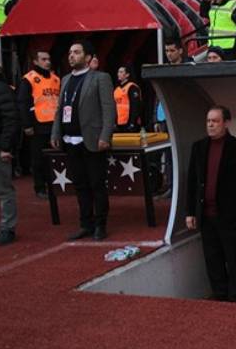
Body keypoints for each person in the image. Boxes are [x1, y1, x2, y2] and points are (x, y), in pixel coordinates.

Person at [186, 106, 236, 303]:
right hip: (206, 216)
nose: (210, 125)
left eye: (215, 121)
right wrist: (190, 212)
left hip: (231, 215)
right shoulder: (198, 147)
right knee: (212, 258)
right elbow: (191, 181)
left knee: (235, 259)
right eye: (208, 121)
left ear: (226, 123)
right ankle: (220, 295)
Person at [50, 41, 116, 241]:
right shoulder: (66, 80)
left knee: (97, 184)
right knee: (80, 185)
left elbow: (108, 109)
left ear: (88, 57)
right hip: (71, 141)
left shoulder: (100, 78)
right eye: (70, 52)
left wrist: (105, 136)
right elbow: (60, 109)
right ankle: (85, 224)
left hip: (93, 141)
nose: (71, 56)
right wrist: (55, 133)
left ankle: (100, 225)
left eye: (76, 52)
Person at [16, 50, 60, 199]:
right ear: (35, 62)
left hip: (54, 124)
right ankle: (40, 188)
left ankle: (55, 185)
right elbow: (23, 103)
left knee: (56, 156)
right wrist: (27, 125)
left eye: (48, 59)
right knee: (38, 159)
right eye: (43, 59)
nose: (47, 62)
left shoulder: (56, 79)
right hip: (38, 124)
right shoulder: (28, 79)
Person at [0, 66, 18, 246]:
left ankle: (7, 227)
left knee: (3, 189)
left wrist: (5, 146)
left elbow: (10, 119)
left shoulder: (1, 88)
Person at [113, 66, 142, 132]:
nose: (118, 74)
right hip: (119, 122)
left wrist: (132, 122)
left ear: (127, 75)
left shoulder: (132, 87)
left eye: (121, 72)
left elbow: (135, 106)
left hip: (129, 122)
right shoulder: (116, 89)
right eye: (118, 72)